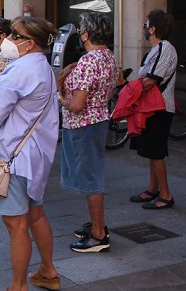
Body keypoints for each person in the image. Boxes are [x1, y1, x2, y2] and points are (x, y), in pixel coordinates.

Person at [0, 16, 61, 291]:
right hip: (34, 155)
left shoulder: (20, 70)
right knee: (36, 215)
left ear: (29, 43)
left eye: (15, 35)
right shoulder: (42, 67)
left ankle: (17, 286)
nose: (9, 38)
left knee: (17, 225)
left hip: (13, 158)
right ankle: (48, 271)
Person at [58, 13, 120, 253]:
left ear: (86, 33)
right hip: (99, 121)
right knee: (92, 175)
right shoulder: (109, 57)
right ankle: (98, 224)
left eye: (81, 30)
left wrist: (61, 97)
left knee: (90, 179)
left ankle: (98, 234)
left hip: (83, 125)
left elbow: (76, 104)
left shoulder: (88, 61)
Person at [129, 10, 178, 210]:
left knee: (156, 152)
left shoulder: (165, 48)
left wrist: (128, 91)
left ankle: (166, 195)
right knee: (151, 151)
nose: (144, 29)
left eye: (145, 25)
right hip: (153, 106)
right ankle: (152, 188)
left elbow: (152, 80)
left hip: (160, 107)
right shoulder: (157, 49)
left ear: (153, 28)